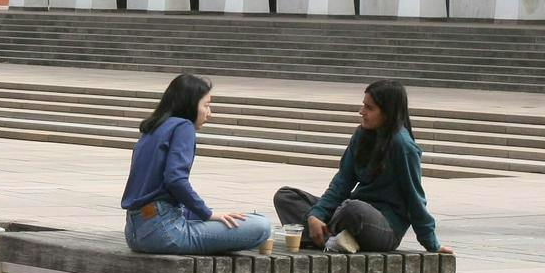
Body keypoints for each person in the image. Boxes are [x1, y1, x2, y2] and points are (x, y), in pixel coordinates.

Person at [274, 80, 452, 257]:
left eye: (369, 108)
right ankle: (330, 238)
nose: (362, 112)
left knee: (353, 209)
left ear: (388, 112)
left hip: (382, 227)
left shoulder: (403, 146)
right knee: (286, 197)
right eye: (363, 106)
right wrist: (316, 215)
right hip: (346, 214)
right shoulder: (362, 134)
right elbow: (342, 181)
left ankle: (321, 237)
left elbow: (415, 199)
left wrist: (432, 244)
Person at [122, 73, 272, 255]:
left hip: (134, 232)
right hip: (164, 232)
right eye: (206, 105)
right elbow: (175, 179)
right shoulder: (183, 127)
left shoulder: (153, 128)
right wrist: (207, 214)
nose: (210, 113)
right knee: (261, 226)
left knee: (230, 219)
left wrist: (208, 214)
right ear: (190, 105)